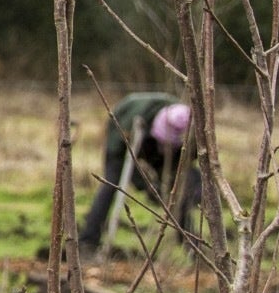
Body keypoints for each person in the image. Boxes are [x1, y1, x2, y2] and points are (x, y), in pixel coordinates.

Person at [77, 92, 195, 254]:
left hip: (165, 146)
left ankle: (193, 247)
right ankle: (88, 241)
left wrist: (169, 187)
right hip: (123, 143)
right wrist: (146, 186)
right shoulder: (128, 122)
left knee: (179, 192)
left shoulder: (189, 124)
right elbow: (122, 160)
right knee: (110, 184)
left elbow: (189, 159)